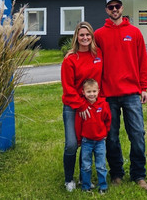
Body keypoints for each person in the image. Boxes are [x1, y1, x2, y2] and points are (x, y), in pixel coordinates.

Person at [94, 0, 147, 191]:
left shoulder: (134, 33)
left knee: (137, 134)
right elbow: (93, 61)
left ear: (122, 8)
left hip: (131, 94)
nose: (115, 9)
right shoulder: (99, 35)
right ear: (106, 10)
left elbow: (143, 61)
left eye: (117, 6)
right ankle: (116, 173)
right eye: (111, 7)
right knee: (111, 136)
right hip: (108, 95)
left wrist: (144, 87)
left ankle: (139, 175)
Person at [60, 21, 103, 192]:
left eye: (88, 35)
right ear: (76, 37)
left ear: (92, 36)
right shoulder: (70, 59)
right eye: (81, 35)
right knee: (72, 143)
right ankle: (68, 179)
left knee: (86, 142)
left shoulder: (98, 54)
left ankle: (83, 178)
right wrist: (81, 105)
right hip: (73, 106)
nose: (85, 38)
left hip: (92, 105)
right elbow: (68, 87)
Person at [75, 78, 111, 193]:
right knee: (86, 165)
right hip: (87, 141)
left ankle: (103, 186)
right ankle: (85, 186)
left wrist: (106, 133)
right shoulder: (82, 107)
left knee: (101, 165)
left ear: (98, 91)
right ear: (83, 92)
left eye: (94, 91)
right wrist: (79, 139)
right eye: (89, 92)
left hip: (100, 141)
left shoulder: (103, 105)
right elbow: (78, 124)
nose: (92, 94)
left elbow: (108, 120)